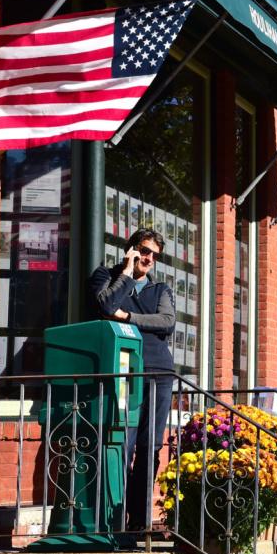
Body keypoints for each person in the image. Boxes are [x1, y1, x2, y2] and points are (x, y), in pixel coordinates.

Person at [89, 228, 176, 534]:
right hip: (122, 370)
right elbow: (104, 306)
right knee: (120, 441)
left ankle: (139, 520)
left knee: (149, 445)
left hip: (159, 373)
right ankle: (113, 517)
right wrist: (126, 273)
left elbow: (167, 321)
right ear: (131, 250)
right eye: (144, 251)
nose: (148, 258)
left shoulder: (160, 289)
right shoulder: (106, 276)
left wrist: (128, 317)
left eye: (154, 254)